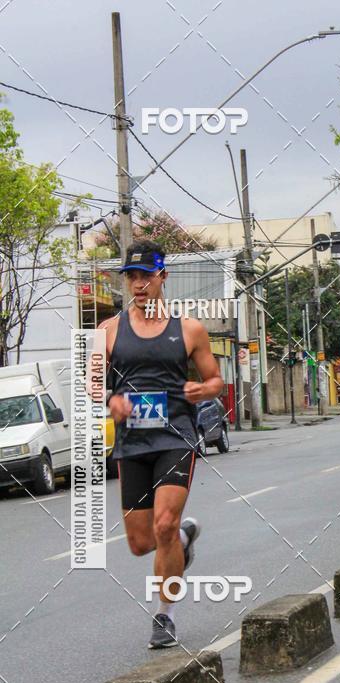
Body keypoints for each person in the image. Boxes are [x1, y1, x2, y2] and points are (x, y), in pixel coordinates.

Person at [99, 240, 224, 648]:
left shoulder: (189, 329)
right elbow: (93, 382)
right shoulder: (108, 330)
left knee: (164, 524)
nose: (138, 284)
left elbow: (216, 381)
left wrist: (200, 391)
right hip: (132, 441)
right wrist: (109, 399)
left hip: (176, 436)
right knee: (140, 542)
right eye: (131, 277)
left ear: (163, 276)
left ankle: (164, 616)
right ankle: (182, 542)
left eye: (146, 276)